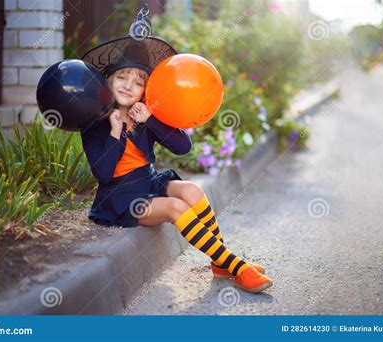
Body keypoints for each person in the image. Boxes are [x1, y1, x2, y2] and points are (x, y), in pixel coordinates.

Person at [80, 3, 273, 293]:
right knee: (175, 207)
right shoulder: (95, 123)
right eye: (122, 77)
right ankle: (236, 266)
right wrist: (116, 132)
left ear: (147, 89)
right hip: (121, 197)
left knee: (193, 191)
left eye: (138, 81)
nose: (129, 86)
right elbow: (104, 174)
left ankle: (220, 261)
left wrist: (152, 120)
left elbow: (184, 147)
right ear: (109, 80)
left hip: (148, 182)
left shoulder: (145, 114)